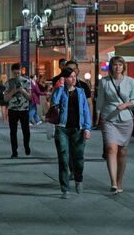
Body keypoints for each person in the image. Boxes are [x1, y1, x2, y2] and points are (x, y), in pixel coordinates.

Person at [96, 56, 134, 194]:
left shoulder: (130, 81)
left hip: (126, 119)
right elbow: (100, 101)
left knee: (122, 151)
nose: (117, 67)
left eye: (120, 65)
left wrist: (126, 105)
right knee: (110, 148)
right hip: (109, 118)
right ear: (111, 67)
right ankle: (113, 182)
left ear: (123, 67)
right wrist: (98, 117)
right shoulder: (104, 82)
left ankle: (120, 181)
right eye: (115, 65)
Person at [50, 67, 92, 199]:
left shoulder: (80, 92)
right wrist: (59, 87)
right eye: (70, 76)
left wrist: (87, 128)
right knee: (63, 158)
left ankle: (79, 179)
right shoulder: (60, 91)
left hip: (77, 129)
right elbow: (54, 103)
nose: (73, 79)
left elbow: (85, 110)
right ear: (64, 78)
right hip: (62, 128)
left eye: (75, 76)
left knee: (78, 158)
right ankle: (65, 188)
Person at [4, 63, 32, 158]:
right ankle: (14, 151)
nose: (17, 75)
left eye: (18, 73)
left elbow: (30, 97)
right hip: (13, 109)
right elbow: (6, 98)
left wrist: (22, 90)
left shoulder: (27, 82)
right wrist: (14, 91)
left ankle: (26, 146)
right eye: (15, 73)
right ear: (12, 72)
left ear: (21, 71)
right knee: (13, 131)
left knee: (26, 131)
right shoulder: (8, 83)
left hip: (24, 109)